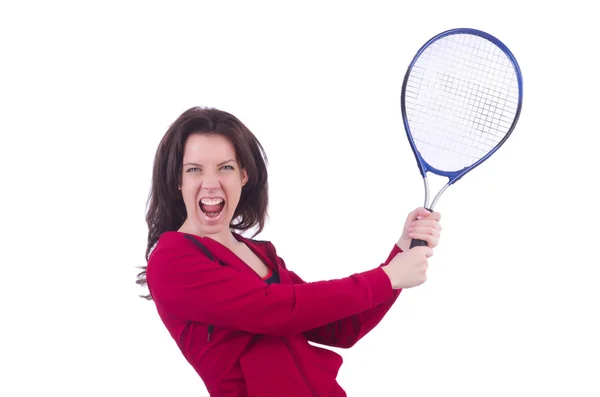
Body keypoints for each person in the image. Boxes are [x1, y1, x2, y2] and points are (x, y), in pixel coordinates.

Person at [137, 106, 442, 397]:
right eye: (194, 169)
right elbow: (274, 311)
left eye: (225, 167)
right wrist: (386, 277)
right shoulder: (171, 260)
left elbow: (342, 328)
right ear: (178, 180)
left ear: (244, 175)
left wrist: (399, 253)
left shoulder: (259, 254)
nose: (210, 183)